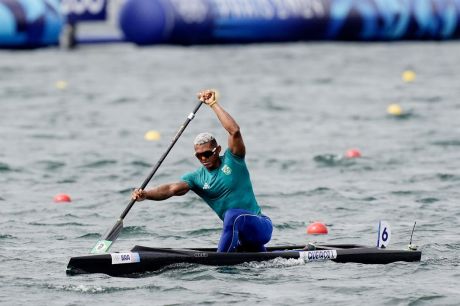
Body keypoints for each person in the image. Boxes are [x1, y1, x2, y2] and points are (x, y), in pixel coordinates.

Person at [132, 89, 272, 252]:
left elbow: (234, 131)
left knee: (232, 215)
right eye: (198, 156)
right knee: (235, 224)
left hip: (261, 226)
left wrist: (213, 104)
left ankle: (220, 264)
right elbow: (171, 189)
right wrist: (146, 194)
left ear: (217, 149)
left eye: (207, 153)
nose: (203, 158)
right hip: (242, 237)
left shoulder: (234, 159)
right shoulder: (197, 178)